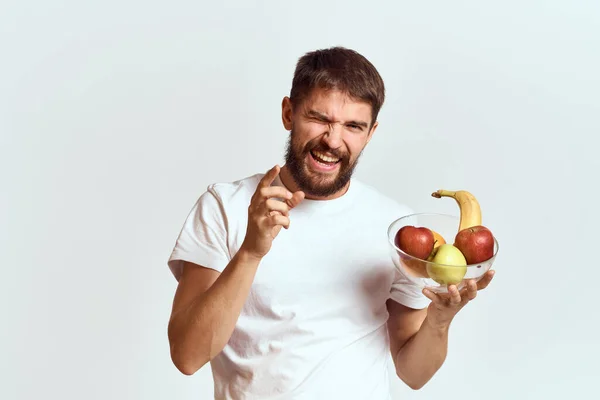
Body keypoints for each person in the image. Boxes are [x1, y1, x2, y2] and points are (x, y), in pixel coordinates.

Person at [166, 46, 495, 399]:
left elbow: (413, 373)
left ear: (370, 133)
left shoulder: (394, 228)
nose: (333, 140)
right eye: (320, 118)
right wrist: (250, 251)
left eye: (353, 126)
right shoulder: (224, 207)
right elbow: (187, 356)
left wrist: (440, 319)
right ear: (288, 113)